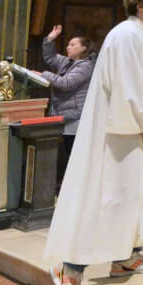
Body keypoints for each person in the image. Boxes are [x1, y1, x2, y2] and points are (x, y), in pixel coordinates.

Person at [45, 0, 143, 285]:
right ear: (140, 4)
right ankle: (70, 268)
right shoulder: (128, 35)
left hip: (130, 131)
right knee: (110, 199)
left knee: (131, 198)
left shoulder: (138, 35)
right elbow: (128, 86)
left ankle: (124, 258)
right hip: (121, 134)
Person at [40, 24, 94, 187]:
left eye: (73, 44)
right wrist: (50, 39)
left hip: (75, 118)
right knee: (68, 153)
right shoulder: (67, 62)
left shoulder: (85, 66)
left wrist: (44, 74)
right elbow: (50, 58)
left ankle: (76, 188)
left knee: (74, 155)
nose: (68, 47)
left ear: (83, 48)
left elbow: (66, 83)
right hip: (64, 115)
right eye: (68, 44)